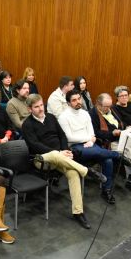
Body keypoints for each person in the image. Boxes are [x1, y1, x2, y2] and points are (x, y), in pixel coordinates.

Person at [22, 94, 93, 229]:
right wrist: (59, 153)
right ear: (29, 109)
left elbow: (62, 135)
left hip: (61, 157)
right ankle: (87, 171)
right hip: (41, 159)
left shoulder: (51, 117)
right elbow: (34, 145)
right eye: (36, 107)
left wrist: (65, 150)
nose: (40, 109)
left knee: (73, 174)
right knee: (54, 153)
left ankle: (78, 212)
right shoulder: (27, 124)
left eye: (41, 105)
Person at [87, 93, 131, 197]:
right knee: (130, 147)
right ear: (98, 104)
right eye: (106, 106)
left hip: (121, 136)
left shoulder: (112, 109)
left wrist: (126, 127)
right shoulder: (92, 114)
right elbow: (96, 133)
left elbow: (120, 122)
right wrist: (112, 133)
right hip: (109, 141)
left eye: (110, 106)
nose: (108, 108)